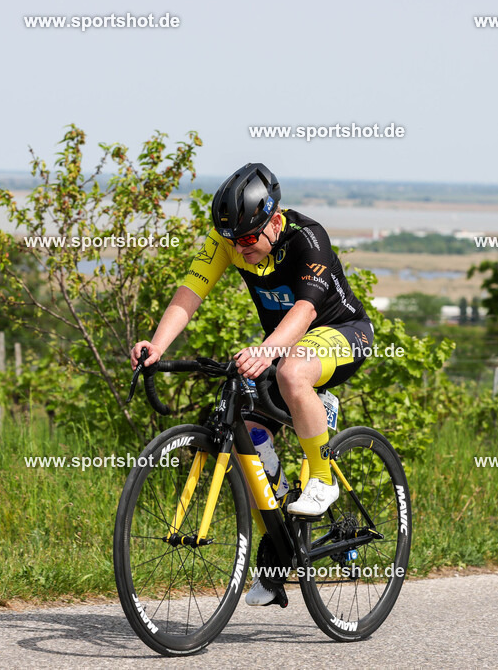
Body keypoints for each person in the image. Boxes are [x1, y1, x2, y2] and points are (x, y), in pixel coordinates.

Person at [130, 162, 374, 605]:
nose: (239, 250)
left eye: (247, 239)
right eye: (231, 241)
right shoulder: (230, 240)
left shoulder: (307, 237)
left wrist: (267, 351)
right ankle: (280, 550)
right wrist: (158, 345)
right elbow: (191, 292)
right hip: (284, 341)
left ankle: (323, 478)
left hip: (343, 333)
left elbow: (305, 312)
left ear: (274, 221)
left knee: (291, 369)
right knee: (248, 435)